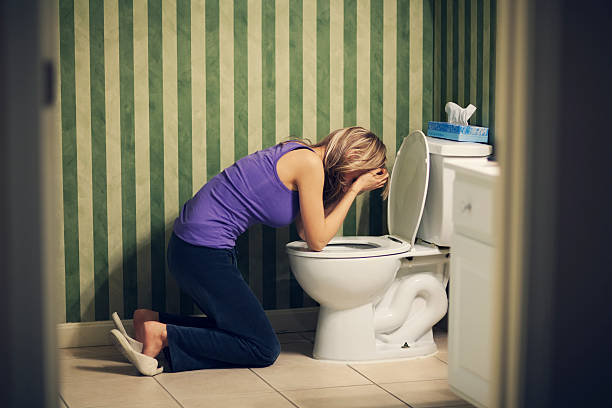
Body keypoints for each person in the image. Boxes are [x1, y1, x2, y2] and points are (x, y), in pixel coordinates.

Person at [121, 126, 390, 374]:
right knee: (263, 348)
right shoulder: (309, 164)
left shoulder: (301, 155)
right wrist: (354, 190)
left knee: (238, 330)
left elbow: (308, 233)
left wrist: (350, 187)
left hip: (192, 247)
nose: (351, 182)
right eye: (357, 174)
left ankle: (151, 321)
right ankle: (162, 335)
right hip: (202, 250)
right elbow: (318, 241)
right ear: (354, 155)